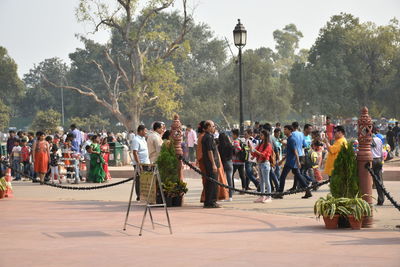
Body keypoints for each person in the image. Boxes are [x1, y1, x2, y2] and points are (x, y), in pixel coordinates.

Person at [276, 125, 312, 199]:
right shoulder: (290, 139)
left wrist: (298, 162)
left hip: (291, 161)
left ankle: (280, 192)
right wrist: (282, 160)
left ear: (290, 130)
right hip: (292, 160)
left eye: (285, 129)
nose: (284, 131)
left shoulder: (291, 139)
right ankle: (307, 191)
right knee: (298, 175)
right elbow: (289, 150)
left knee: (282, 176)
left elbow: (295, 151)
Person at [201, 120, 221, 208]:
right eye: (213, 126)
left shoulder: (208, 136)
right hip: (211, 163)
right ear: (208, 127)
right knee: (213, 183)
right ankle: (211, 201)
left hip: (210, 163)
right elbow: (210, 151)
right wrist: (213, 164)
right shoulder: (208, 137)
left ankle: (208, 201)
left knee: (210, 182)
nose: (214, 128)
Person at [252, 130, 273, 203]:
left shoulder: (268, 145)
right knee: (261, 181)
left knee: (267, 181)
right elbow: (255, 152)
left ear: (265, 136)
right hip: (260, 164)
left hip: (265, 164)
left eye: (261, 135)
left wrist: (254, 151)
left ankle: (269, 196)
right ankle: (262, 196)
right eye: (260, 135)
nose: (260, 136)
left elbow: (263, 154)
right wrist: (252, 152)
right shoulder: (261, 144)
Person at [131, 125, 150, 201]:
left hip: (146, 162)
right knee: (139, 180)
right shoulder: (136, 140)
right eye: (145, 131)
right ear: (141, 131)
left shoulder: (143, 139)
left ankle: (145, 195)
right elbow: (135, 153)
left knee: (146, 180)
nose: (146, 132)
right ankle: (139, 196)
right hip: (140, 164)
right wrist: (139, 165)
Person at [218, 132, 234, 201]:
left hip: (222, 163)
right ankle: (230, 196)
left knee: (222, 180)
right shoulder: (230, 145)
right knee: (230, 180)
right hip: (229, 162)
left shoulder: (219, 146)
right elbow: (233, 154)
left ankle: (223, 195)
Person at [371, 128, 385, 205]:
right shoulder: (379, 140)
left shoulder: (366, 140)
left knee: (364, 180)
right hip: (378, 160)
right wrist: (382, 162)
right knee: (379, 181)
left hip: (370, 161)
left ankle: (364, 200)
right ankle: (381, 199)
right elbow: (381, 152)